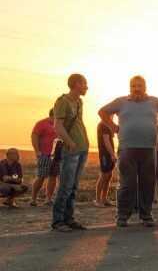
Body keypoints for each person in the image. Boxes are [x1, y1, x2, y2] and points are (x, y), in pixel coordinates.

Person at [98, 75, 158, 228]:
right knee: (127, 183)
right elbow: (102, 112)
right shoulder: (121, 101)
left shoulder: (154, 101)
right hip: (127, 148)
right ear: (130, 87)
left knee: (148, 183)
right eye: (133, 86)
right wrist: (113, 127)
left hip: (148, 148)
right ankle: (122, 216)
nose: (136, 89)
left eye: (139, 86)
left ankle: (146, 215)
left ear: (145, 87)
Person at [51, 73, 90, 232]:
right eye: (84, 84)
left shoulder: (79, 102)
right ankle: (58, 221)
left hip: (82, 148)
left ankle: (69, 218)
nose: (87, 87)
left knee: (73, 186)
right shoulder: (62, 102)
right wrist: (69, 142)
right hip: (71, 150)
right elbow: (57, 126)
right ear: (76, 84)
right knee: (65, 186)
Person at [30, 109, 59, 206]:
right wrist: (37, 151)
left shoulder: (60, 125)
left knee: (53, 177)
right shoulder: (42, 123)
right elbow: (34, 137)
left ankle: (48, 199)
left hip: (57, 155)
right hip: (44, 154)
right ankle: (33, 199)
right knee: (41, 176)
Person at [95, 120, 116, 207]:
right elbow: (106, 141)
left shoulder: (108, 125)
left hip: (109, 153)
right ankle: (98, 200)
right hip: (105, 154)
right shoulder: (103, 125)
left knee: (109, 175)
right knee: (104, 175)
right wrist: (112, 154)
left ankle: (104, 199)